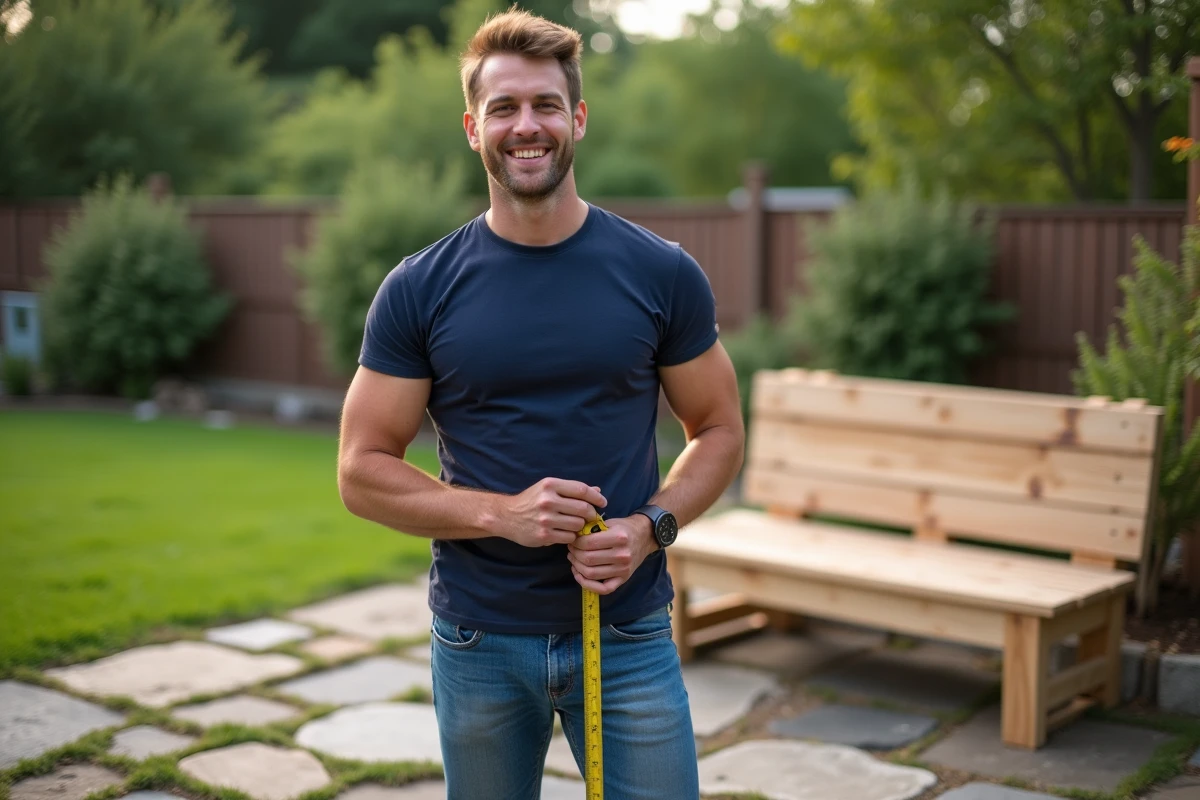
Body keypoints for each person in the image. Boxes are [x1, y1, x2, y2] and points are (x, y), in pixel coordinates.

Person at [336, 9, 744, 799]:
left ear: (578, 119)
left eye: (546, 105)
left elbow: (720, 430)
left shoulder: (661, 273)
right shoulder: (419, 289)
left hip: (627, 634)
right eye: (505, 108)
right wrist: (500, 515)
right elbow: (360, 470)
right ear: (472, 127)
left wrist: (648, 529)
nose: (528, 126)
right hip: (479, 639)